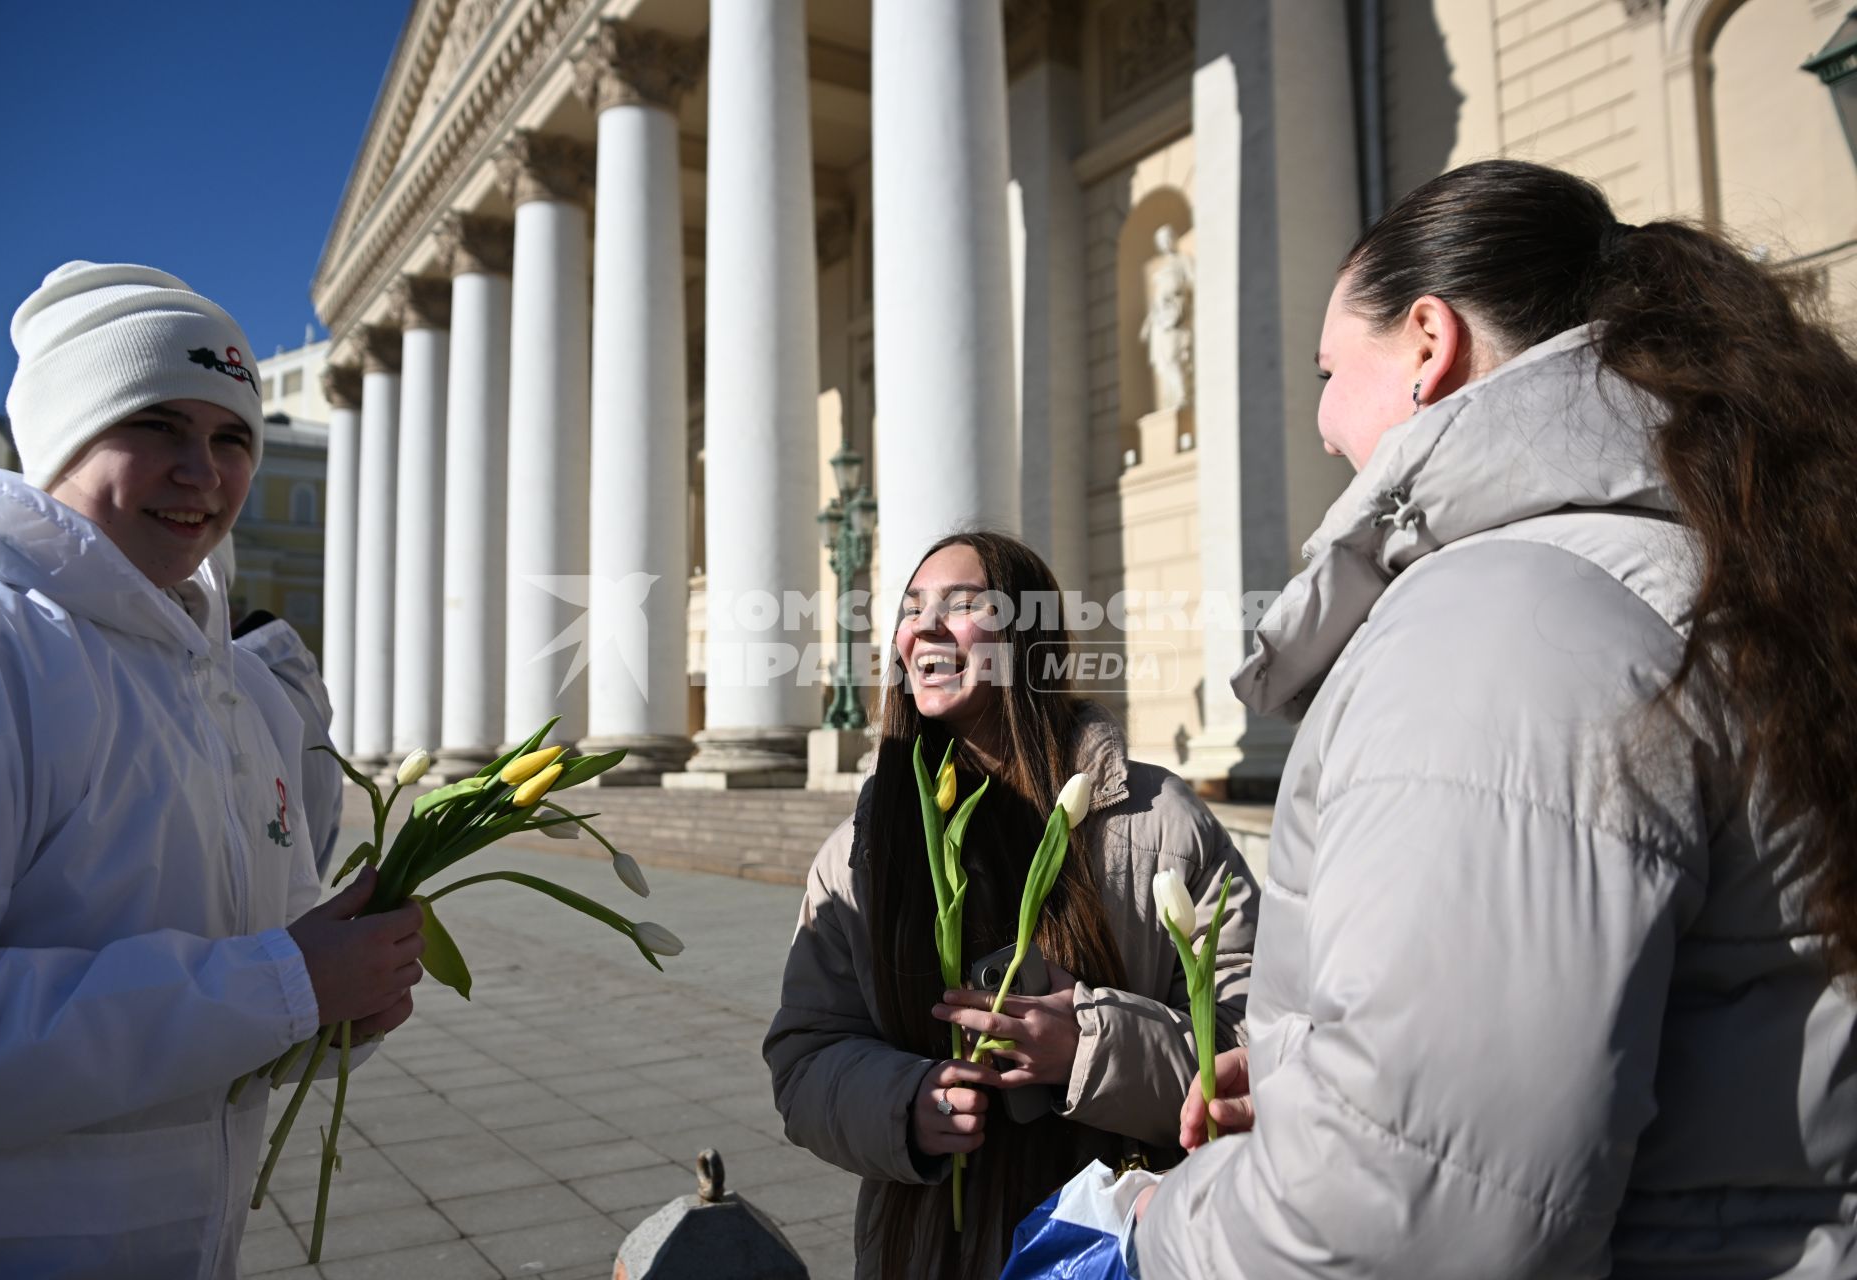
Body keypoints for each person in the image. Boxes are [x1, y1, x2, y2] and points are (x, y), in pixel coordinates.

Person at [1134, 159, 1857, 1278]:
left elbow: (1406, 1223)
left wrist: (1155, 1223)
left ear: (1428, 343)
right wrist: (1324, 1084)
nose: (1322, 419)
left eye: (1330, 369)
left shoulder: (1502, 622)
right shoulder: (1727, 559)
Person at [0, 261, 425, 1276]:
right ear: (65, 438)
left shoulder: (237, 693)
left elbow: (250, 981)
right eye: (156, 424)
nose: (203, 470)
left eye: (233, 436)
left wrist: (331, 1011)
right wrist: (284, 984)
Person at [764, 530, 1258, 1279]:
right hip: (927, 1252)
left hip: (1118, 1244)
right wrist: (905, 1102)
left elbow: (1260, 1045)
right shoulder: (861, 853)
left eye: (962, 606)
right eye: (911, 609)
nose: (926, 627)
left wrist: (1089, 1045)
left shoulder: (1159, 824)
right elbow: (804, 1061)